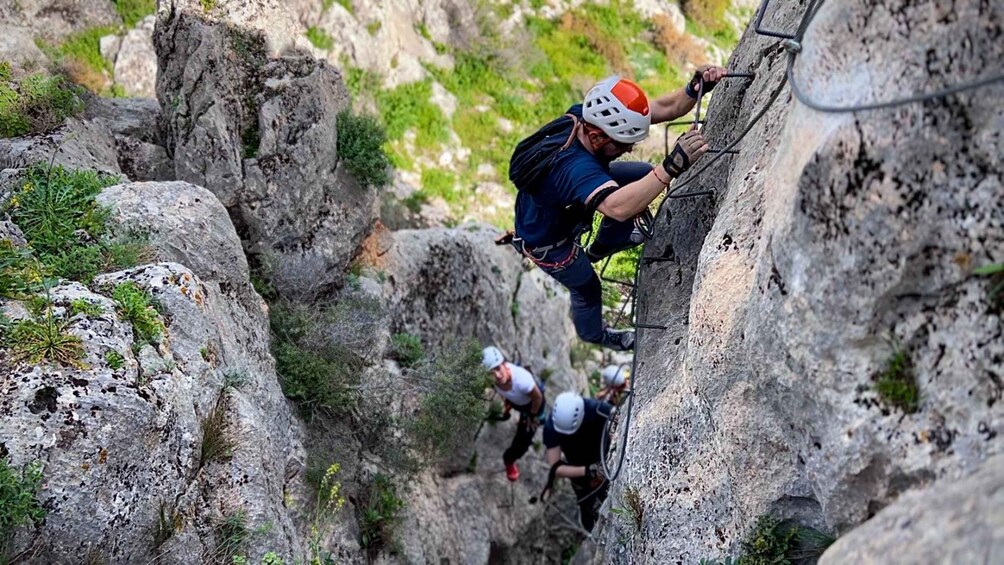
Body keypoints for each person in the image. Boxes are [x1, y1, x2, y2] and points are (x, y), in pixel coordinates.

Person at [511, 67, 728, 351]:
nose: (627, 150)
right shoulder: (575, 169)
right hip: (550, 244)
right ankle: (596, 336)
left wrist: (694, 89)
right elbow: (617, 207)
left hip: (555, 207)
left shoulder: (586, 118)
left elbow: (663, 107)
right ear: (600, 138)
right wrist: (672, 165)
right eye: (623, 145)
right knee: (587, 288)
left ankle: (601, 247)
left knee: (641, 173)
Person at [543, 391, 614, 531]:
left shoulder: (598, 410)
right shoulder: (552, 425)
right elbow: (555, 467)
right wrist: (589, 471)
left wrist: (610, 459)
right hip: (581, 474)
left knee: (610, 497)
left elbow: (618, 423)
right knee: (588, 508)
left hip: (605, 458)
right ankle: (592, 531)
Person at [482, 346, 546, 482]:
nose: (497, 376)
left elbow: (538, 398)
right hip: (519, 403)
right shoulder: (493, 380)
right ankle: (534, 418)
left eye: (498, 369)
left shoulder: (522, 379)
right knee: (525, 417)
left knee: (524, 440)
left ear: (505, 364)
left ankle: (509, 460)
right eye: (491, 373)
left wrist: (532, 416)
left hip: (533, 406)